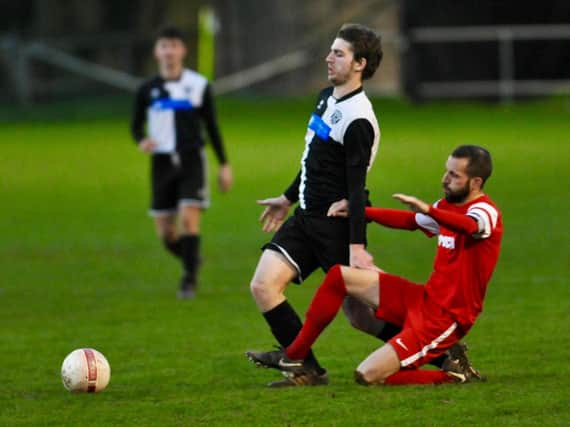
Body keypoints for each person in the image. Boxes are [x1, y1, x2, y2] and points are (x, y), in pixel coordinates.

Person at [247, 145, 502, 385]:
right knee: (340, 276)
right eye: (446, 171)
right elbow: (410, 221)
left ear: (476, 182)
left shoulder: (485, 212)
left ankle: (454, 376)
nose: (445, 179)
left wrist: (431, 212)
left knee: (368, 375)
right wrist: (360, 212)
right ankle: (294, 356)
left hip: (448, 317)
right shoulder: (447, 206)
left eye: (454, 175)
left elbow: (469, 226)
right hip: (425, 298)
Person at [131, 26, 233, 299]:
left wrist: (224, 165)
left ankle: (189, 279)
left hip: (192, 161)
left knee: (189, 220)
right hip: (162, 163)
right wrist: (141, 140)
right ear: (157, 52)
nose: (169, 51)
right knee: (166, 233)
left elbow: (212, 126)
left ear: (183, 51)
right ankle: (191, 259)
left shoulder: (198, 85)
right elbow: (135, 126)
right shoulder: (147, 90)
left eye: (174, 45)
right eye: (164, 46)